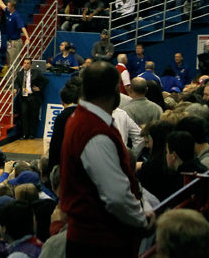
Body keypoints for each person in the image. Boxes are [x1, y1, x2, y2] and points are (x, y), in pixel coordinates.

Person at [60, 62, 155, 258]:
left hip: (95, 240)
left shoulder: (82, 120)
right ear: (115, 91)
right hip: (99, 243)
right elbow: (116, 196)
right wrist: (141, 220)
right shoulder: (93, 131)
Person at [15, 58, 47, 140]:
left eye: (28, 63)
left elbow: (46, 80)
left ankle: (32, 134)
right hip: (23, 97)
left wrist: (40, 88)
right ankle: (25, 134)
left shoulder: (36, 73)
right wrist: (16, 88)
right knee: (24, 115)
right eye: (24, 63)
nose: (25, 65)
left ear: (31, 65)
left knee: (33, 116)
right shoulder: (20, 73)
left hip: (33, 97)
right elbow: (16, 82)